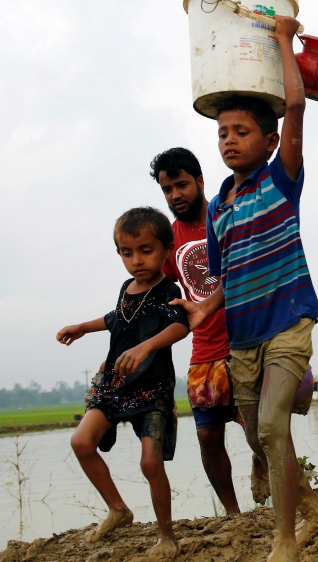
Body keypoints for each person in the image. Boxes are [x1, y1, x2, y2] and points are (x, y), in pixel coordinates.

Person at [170, 15, 318, 559]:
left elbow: (294, 107)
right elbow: (227, 274)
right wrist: (200, 310)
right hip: (241, 337)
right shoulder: (218, 207)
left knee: (270, 425)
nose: (229, 141)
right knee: (256, 432)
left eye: (241, 132)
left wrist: (285, 42)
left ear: (268, 142)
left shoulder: (281, 179)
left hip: (288, 321)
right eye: (222, 133)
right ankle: (313, 506)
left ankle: (285, 540)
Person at [57, 208, 190, 558]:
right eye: (127, 253)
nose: (137, 261)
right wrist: (84, 328)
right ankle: (118, 509)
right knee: (81, 442)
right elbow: (120, 317)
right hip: (115, 386)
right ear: (119, 253)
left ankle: (166, 536)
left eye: (146, 251)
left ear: (166, 249)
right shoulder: (125, 288)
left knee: (150, 463)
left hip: (152, 389)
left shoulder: (167, 289)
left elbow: (180, 325)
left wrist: (146, 346)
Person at [150, 147, 245, 515]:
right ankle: (234, 513)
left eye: (182, 185)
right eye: (168, 189)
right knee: (207, 434)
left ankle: (265, 471)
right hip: (205, 350)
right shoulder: (169, 242)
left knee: (259, 431)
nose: (175, 195)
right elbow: (165, 302)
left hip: (247, 339)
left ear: (200, 182)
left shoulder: (228, 216)